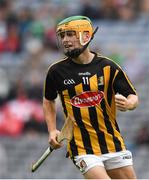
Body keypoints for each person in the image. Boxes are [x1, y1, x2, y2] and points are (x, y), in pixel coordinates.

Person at [43, 15, 139, 179]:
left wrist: (130, 103)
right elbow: (48, 100)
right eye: (62, 35)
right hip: (82, 148)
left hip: (113, 143)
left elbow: (132, 96)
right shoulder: (56, 71)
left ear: (86, 35)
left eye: (71, 34)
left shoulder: (108, 67)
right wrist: (52, 130)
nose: (65, 40)